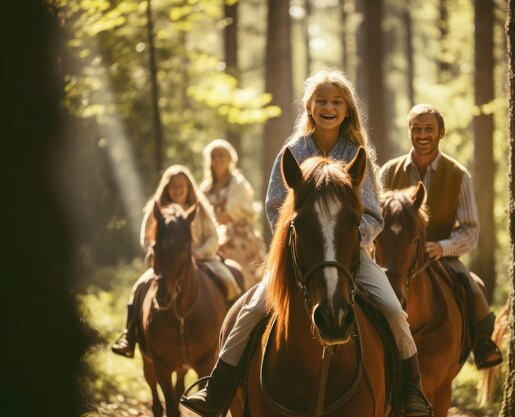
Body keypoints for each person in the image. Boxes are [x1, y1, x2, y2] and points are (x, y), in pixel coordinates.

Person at [180, 68, 433, 417]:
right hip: (300, 253)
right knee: (251, 310)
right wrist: (300, 240)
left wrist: (342, 240)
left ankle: (410, 391)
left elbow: (373, 214)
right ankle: (218, 388)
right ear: (309, 107)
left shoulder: (356, 152)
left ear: (347, 109)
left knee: (392, 310)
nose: (328, 107)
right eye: (321, 101)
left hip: (350, 254)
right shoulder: (294, 150)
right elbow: (273, 206)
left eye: (336, 101)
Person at [378, 103, 503, 370]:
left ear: (441, 132)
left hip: (439, 254)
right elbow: (375, 218)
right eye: (417, 128)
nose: (423, 134)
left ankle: (483, 344)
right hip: (394, 255)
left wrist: (442, 247)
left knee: (473, 287)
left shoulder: (458, 174)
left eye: (429, 129)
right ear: (409, 131)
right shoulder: (388, 171)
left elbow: (470, 229)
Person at [111, 164, 241, 359]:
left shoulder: (200, 208)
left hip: (203, 259)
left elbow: (213, 237)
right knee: (139, 288)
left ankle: (235, 332)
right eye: (173, 185)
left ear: (189, 187)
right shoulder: (157, 209)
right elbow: (146, 237)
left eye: (182, 185)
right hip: (166, 263)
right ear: (166, 187)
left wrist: (199, 252)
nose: (178, 189)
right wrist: (153, 251)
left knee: (230, 281)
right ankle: (129, 337)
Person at [200, 139, 267, 290]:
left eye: (221, 155)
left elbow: (235, 213)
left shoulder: (238, 183)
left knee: (238, 267)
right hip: (211, 235)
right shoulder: (205, 188)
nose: (217, 160)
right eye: (214, 156)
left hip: (238, 237)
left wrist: (219, 220)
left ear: (230, 158)